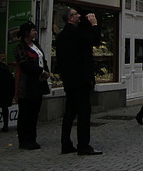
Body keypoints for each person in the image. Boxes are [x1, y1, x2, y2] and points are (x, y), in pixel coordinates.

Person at [57, 8, 103, 155]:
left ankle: (66, 143)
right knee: (84, 112)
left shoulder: (62, 34)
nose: (79, 16)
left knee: (70, 112)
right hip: (80, 78)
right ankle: (83, 145)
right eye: (76, 14)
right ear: (70, 18)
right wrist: (94, 24)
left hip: (69, 79)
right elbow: (94, 40)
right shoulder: (74, 33)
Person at [14, 22, 50, 150]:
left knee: (34, 112)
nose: (35, 32)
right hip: (27, 84)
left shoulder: (36, 46)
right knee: (25, 113)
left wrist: (46, 71)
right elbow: (25, 64)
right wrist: (40, 71)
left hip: (38, 83)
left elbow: (43, 60)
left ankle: (32, 138)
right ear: (26, 33)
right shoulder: (20, 48)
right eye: (33, 30)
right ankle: (24, 140)